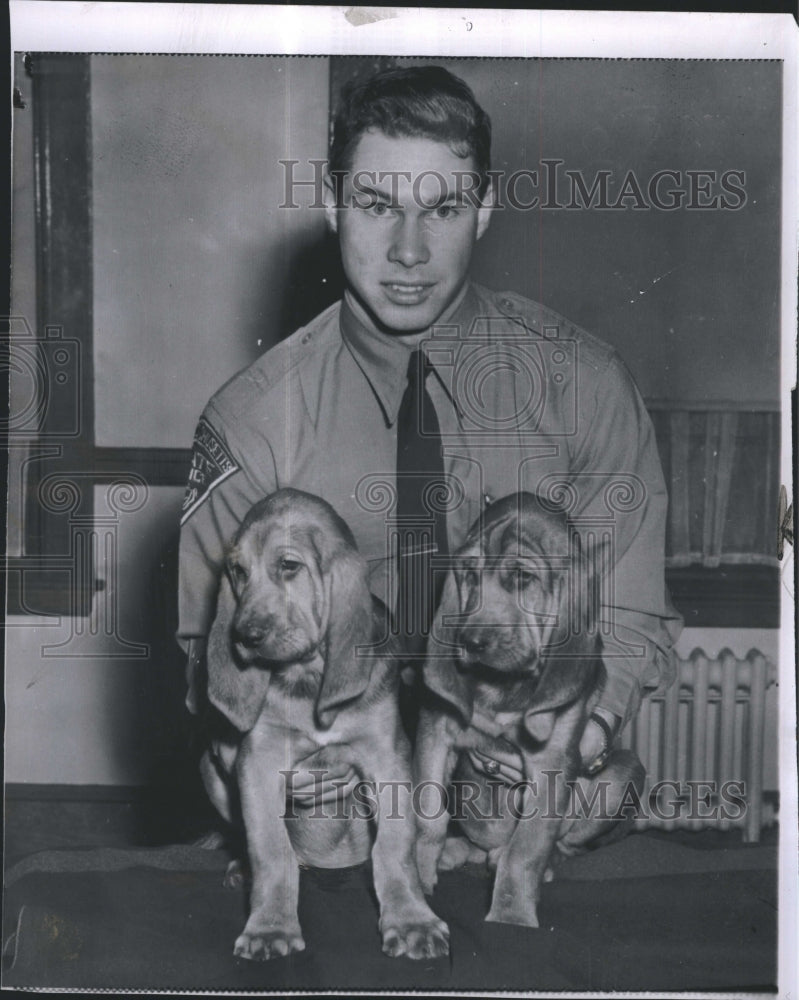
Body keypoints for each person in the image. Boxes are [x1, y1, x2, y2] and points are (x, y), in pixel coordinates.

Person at [178, 65, 682, 803]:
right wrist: (277, 756)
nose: (408, 250)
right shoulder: (251, 419)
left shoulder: (585, 385)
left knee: (603, 796)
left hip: (518, 763)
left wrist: (585, 734)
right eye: (376, 204)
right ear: (330, 203)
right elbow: (212, 649)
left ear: (483, 210)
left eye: (442, 209)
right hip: (332, 776)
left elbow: (630, 613)